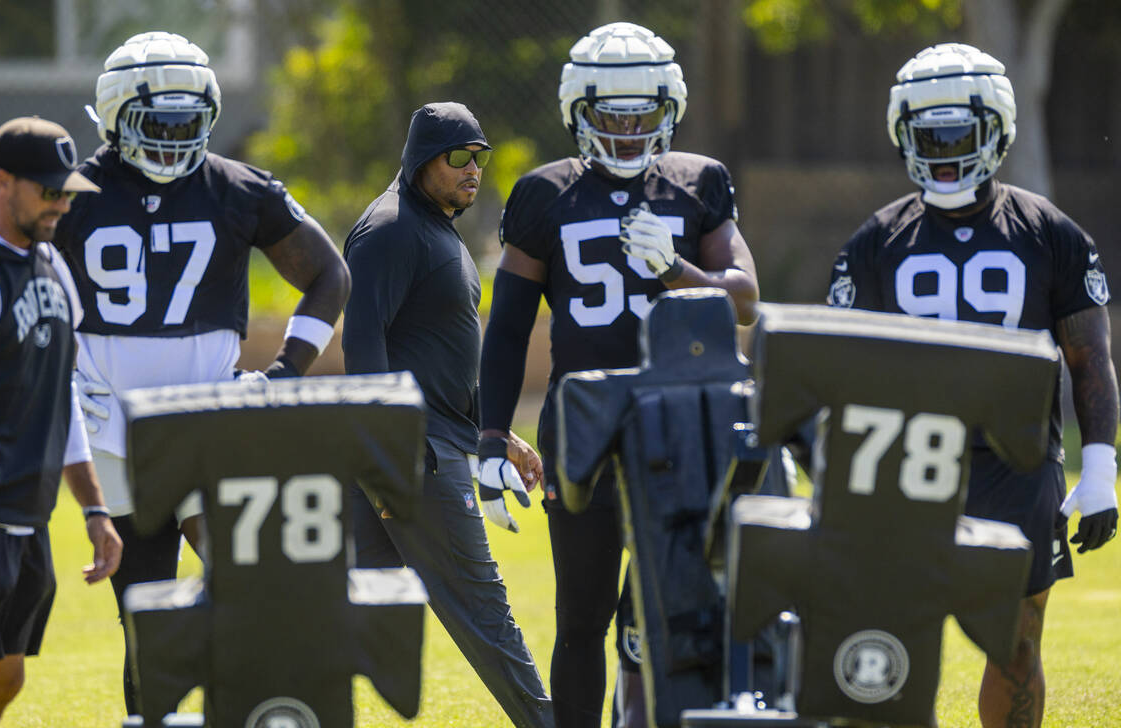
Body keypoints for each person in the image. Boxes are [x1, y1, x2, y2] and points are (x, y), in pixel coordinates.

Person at [52, 31, 350, 715]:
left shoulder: (237, 186)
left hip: (211, 422)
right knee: (147, 614)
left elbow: (331, 274)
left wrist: (282, 376)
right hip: (114, 429)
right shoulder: (69, 192)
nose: (176, 136)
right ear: (114, 115)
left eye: (190, 121)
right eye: (159, 123)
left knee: (257, 591)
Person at [476, 22, 761, 728]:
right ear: (579, 110)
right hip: (587, 429)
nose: (630, 129)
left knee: (676, 608)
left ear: (671, 110)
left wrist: (677, 270)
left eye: (644, 113)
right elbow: (508, 327)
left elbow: (746, 301)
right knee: (581, 621)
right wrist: (488, 436)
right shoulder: (544, 194)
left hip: (689, 426)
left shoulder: (699, 181)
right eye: (612, 113)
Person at [827, 42, 1119, 728]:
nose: (946, 149)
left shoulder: (1049, 232)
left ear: (999, 130)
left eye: (961, 132)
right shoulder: (876, 241)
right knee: (895, 641)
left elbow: (1090, 355)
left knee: (1016, 643)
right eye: (930, 135)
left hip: (1018, 464)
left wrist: (1101, 462)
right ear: (903, 134)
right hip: (905, 460)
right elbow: (839, 364)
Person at [342, 101, 554, 728]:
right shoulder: (390, 229)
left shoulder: (433, 226)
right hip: (413, 457)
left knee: (353, 621)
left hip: (414, 449)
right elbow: (362, 343)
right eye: (457, 155)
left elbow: (440, 361)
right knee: (483, 610)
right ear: (419, 161)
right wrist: (389, 450)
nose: (473, 168)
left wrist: (498, 436)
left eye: (479, 156)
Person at [0, 116, 123, 728]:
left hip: (26, 513)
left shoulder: (53, 270)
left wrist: (94, 508)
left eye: (68, 192)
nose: (62, 204)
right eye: (49, 190)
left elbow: (59, 392)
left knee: (8, 673)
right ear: (2, 182)